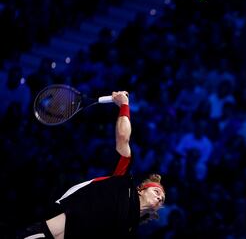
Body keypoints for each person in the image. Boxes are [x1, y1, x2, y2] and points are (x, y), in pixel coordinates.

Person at [16, 91, 166, 239]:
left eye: (162, 199)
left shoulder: (129, 230)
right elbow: (122, 138)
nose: (160, 198)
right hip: (45, 233)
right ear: (140, 190)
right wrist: (124, 105)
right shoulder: (123, 183)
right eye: (157, 192)